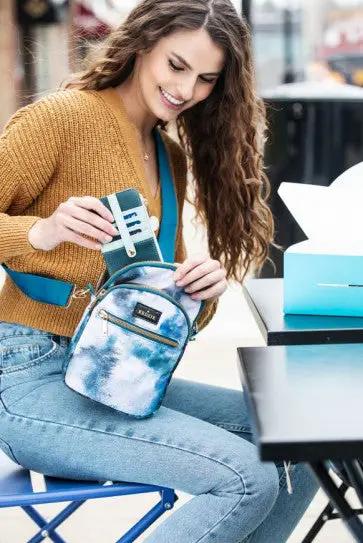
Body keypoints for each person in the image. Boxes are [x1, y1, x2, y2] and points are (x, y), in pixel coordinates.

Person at [0, 1, 318, 541]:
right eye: (176, 65)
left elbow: (165, 302)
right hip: (30, 382)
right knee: (247, 479)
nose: (186, 88)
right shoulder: (61, 119)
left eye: (205, 79)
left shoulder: (167, 155)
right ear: (142, 44)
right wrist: (40, 232)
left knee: (304, 441)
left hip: (120, 374)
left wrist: (199, 290)